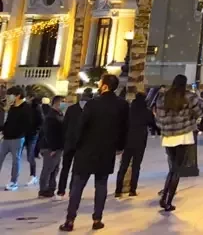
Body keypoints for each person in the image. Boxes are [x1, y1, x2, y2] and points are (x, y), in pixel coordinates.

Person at [59, 74, 129, 232]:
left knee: (78, 185)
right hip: (106, 151)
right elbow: (125, 128)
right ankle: (97, 219)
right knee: (101, 185)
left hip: (86, 150)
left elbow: (81, 127)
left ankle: (70, 220)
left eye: (100, 82)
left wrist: (75, 145)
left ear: (105, 86)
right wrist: (120, 147)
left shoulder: (92, 104)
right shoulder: (122, 105)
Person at [153, 74, 203, 211]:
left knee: (172, 168)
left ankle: (164, 197)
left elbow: (158, 117)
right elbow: (200, 111)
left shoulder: (163, 97)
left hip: (168, 136)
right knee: (176, 169)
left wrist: (165, 127)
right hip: (183, 134)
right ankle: (167, 200)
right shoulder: (188, 97)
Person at [115, 92, 155, 198]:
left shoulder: (128, 111)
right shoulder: (146, 112)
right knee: (136, 166)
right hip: (140, 142)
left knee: (123, 166)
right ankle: (132, 190)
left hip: (127, 141)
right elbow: (153, 124)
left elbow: (121, 125)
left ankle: (118, 190)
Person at [58, 88, 92, 197]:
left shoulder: (71, 109)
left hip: (70, 143)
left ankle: (61, 190)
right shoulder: (90, 110)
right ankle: (72, 189)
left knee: (65, 168)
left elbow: (64, 126)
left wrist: (64, 141)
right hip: (82, 145)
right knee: (76, 169)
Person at [1, 86, 32, 191]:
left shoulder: (26, 108)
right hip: (6, 138)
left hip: (17, 139)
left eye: (11, 94)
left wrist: (19, 133)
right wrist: (3, 130)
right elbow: (8, 122)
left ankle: (13, 182)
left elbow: (28, 125)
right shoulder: (12, 107)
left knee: (16, 161)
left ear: (18, 95)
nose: (9, 96)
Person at [37, 97, 64, 198]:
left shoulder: (59, 114)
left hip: (57, 147)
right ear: (57, 103)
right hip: (51, 147)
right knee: (48, 168)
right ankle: (43, 189)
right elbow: (49, 133)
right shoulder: (51, 116)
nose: (64, 104)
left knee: (55, 168)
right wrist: (53, 148)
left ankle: (51, 188)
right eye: (63, 102)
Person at [23, 95, 43, 186]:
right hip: (25, 134)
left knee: (30, 155)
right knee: (27, 156)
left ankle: (33, 176)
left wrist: (36, 131)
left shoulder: (36, 108)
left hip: (32, 135)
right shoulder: (27, 107)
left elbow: (41, 121)